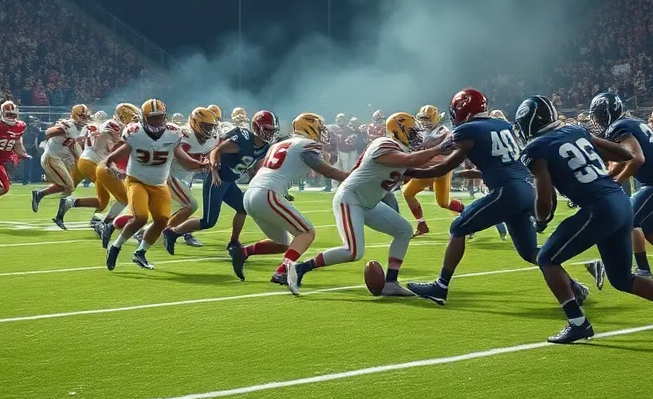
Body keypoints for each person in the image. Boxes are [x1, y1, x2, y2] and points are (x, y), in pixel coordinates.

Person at [511, 95, 653, 344]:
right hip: (620, 202)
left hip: (599, 207)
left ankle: (577, 323)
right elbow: (625, 154)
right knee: (622, 279)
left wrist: (540, 221)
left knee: (547, 259)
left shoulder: (536, 148)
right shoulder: (576, 130)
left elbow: (545, 200)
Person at [407, 89, 586, 306]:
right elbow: (506, 163)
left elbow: (442, 167)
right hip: (526, 190)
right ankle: (574, 286)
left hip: (507, 192)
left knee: (458, 227)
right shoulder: (503, 125)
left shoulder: (468, 129)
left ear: (462, 108)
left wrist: (407, 172)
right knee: (530, 252)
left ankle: (441, 286)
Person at [288, 112, 443, 295]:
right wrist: (442, 147)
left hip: (370, 203)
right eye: (412, 132)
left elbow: (423, 168)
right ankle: (299, 269)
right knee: (353, 251)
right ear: (398, 131)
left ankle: (391, 282)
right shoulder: (383, 144)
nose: (416, 136)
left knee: (404, 231)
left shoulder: (403, 152)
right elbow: (412, 161)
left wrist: (456, 157)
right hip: (350, 198)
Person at [587, 91, 653, 286]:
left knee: (630, 221)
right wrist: (607, 177)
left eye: (601, 114)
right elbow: (623, 159)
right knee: (645, 227)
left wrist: (617, 182)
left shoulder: (619, 127)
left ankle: (642, 269)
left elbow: (637, 158)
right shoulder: (631, 123)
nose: (599, 119)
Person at [243, 112, 348, 287]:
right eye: (319, 128)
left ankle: (243, 252)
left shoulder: (280, 144)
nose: (322, 132)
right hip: (267, 193)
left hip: (251, 193)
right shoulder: (306, 145)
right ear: (309, 128)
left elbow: (264, 169)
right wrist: (349, 176)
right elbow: (325, 170)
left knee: (283, 243)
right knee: (306, 232)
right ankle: (282, 271)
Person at [162, 110, 278, 260]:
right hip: (217, 180)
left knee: (243, 208)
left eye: (272, 130)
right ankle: (172, 232)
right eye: (267, 129)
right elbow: (216, 150)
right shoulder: (244, 140)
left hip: (229, 182)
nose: (270, 133)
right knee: (208, 222)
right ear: (256, 127)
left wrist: (272, 185)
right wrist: (215, 173)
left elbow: (257, 169)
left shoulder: (265, 147)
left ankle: (234, 241)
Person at [103, 99, 204, 271]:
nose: (157, 122)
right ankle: (116, 246)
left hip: (159, 184)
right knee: (141, 217)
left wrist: (200, 165)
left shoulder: (173, 133)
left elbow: (182, 158)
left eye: (160, 117)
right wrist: (113, 169)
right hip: (137, 181)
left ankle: (140, 252)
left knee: (162, 220)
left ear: (165, 117)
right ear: (143, 118)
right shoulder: (135, 133)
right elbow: (111, 158)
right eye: (153, 118)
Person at [58, 104, 140, 231]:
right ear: (123, 116)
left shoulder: (114, 126)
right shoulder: (113, 126)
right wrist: (120, 145)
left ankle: (73, 205)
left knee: (103, 201)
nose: (134, 121)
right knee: (123, 198)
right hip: (95, 162)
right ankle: (104, 224)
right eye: (132, 117)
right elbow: (101, 145)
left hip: (94, 162)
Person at [163, 107, 222, 247]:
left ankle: (182, 232)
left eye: (211, 127)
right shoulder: (185, 135)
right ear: (195, 123)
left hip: (187, 177)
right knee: (190, 205)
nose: (209, 130)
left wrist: (207, 162)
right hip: (171, 174)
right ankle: (160, 232)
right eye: (205, 126)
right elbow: (182, 157)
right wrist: (200, 165)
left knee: (183, 208)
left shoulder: (212, 139)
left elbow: (207, 154)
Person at [402, 104, 464, 237]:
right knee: (407, 193)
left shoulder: (443, 132)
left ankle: (468, 214)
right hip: (425, 170)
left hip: (441, 169)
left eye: (427, 119)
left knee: (444, 203)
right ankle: (421, 224)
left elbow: (444, 156)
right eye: (422, 119)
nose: (424, 122)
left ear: (435, 118)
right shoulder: (422, 132)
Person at [31, 104, 91, 214]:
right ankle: (59, 214)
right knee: (69, 186)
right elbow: (43, 134)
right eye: (82, 116)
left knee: (65, 187)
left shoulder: (80, 128)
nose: (85, 119)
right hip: (52, 157)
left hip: (61, 159)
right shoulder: (69, 126)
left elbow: (72, 144)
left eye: (86, 117)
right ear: (75, 115)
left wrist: (80, 158)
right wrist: (40, 149)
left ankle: (39, 194)